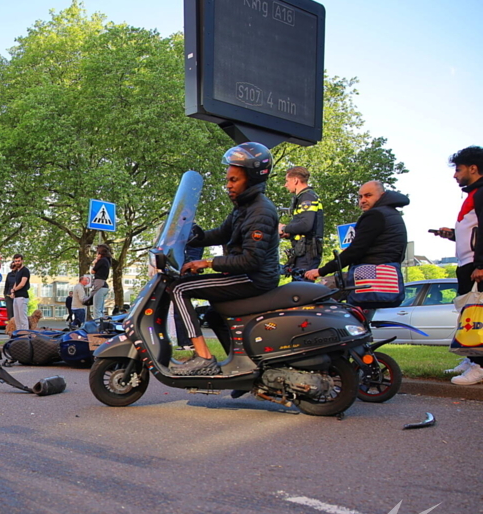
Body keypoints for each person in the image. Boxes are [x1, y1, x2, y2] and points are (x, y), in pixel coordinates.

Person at [170, 142, 281, 375]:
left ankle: (203, 357)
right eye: (227, 180)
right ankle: (245, 368)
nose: (227, 186)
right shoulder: (244, 207)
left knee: (179, 289)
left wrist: (208, 263)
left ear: (250, 179)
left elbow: (251, 260)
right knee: (213, 314)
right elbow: (221, 233)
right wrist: (188, 236)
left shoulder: (260, 211)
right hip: (249, 275)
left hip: (254, 278)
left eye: (234, 180)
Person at [435, 146, 483, 385]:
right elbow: (472, 231)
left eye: (459, 169)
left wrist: (481, 264)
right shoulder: (473, 194)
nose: (455, 175)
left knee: (478, 315)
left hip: (476, 265)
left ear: (473, 169)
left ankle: (480, 366)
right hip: (468, 262)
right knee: (468, 314)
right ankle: (472, 357)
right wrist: (453, 235)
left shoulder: (481, 193)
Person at [303, 181, 408, 286]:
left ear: (382, 195)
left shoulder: (375, 215)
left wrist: (321, 271)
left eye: (368, 196)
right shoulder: (392, 214)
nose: (363, 200)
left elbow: (356, 250)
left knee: (321, 289)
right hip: (390, 276)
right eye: (360, 197)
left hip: (371, 275)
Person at [279, 167, 325, 281]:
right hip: (303, 252)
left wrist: (284, 228)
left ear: (295, 180)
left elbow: (306, 225)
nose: (285, 185)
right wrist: (289, 234)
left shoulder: (307, 196)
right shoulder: (304, 197)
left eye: (287, 181)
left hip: (307, 253)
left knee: (300, 290)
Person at [9, 254, 30, 332]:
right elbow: (16, 283)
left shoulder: (25, 270)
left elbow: (22, 284)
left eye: (19, 261)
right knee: (17, 318)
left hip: (22, 297)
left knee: (22, 318)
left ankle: (25, 335)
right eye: (16, 261)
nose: (17, 262)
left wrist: (14, 290)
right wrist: (12, 291)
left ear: (22, 261)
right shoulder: (18, 271)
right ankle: (19, 334)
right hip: (16, 297)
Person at [90, 245, 112, 316]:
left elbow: (92, 271)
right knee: (100, 309)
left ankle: (98, 324)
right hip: (104, 285)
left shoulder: (102, 261)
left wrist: (96, 261)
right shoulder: (107, 261)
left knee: (97, 309)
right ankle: (100, 323)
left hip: (99, 284)